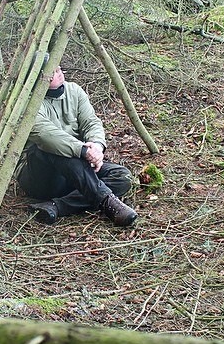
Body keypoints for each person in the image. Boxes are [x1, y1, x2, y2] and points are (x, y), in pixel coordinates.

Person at [16, 60, 138, 227]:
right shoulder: (30, 103)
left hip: (76, 170)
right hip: (40, 174)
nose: (59, 72)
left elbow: (91, 122)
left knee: (122, 177)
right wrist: (83, 151)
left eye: (59, 68)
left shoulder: (74, 91)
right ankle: (107, 202)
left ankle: (56, 206)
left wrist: (96, 145)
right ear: (39, 78)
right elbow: (46, 136)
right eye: (52, 71)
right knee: (57, 150)